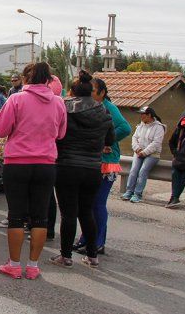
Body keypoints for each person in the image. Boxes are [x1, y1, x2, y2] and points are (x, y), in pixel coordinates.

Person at [0, 62, 66, 280]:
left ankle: (14, 265)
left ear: (25, 78)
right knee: (40, 217)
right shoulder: (58, 102)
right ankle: (33, 266)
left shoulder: (16, 99)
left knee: (16, 216)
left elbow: (0, 130)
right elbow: (61, 134)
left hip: (17, 163)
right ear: (48, 80)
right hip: (46, 164)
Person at [49, 70, 113, 269]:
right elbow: (110, 139)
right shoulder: (103, 111)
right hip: (93, 168)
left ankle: (66, 256)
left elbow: (56, 134)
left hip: (67, 166)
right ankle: (92, 256)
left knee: (68, 214)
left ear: (72, 91)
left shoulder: (65, 108)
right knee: (86, 212)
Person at [73, 78, 131, 254]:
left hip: (106, 163)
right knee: (88, 204)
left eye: (92, 90)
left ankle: (98, 242)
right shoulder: (90, 106)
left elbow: (125, 128)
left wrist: (107, 141)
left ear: (102, 92)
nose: (89, 93)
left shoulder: (108, 107)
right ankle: (87, 239)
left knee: (97, 203)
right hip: (93, 160)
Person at [121, 106, 166, 203]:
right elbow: (134, 138)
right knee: (133, 170)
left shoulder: (159, 127)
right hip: (139, 152)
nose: (141, 116)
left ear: (149, 115)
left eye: (143, 114)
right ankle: (129, 191)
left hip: (153, 155)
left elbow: (156, 143)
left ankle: (137, 194)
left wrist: (144, 152)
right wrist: (137, 149)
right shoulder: (140, 126)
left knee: (143, 171)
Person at [166, 111, 185, 208]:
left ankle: (174, 199)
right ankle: (174, 199)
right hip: (177, 161)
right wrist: (175, 153)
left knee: (182, 181)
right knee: (175, 180)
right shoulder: (178, 130)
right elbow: (171, 142)